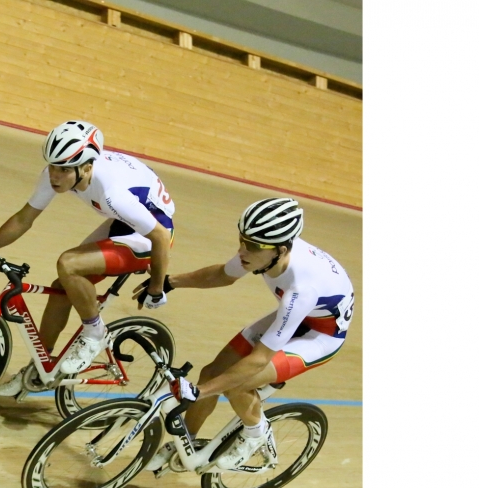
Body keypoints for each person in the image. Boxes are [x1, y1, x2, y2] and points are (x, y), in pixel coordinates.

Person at [0, 120, 176, 396]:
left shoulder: (111, 193)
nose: (54, 176)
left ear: (86, 167)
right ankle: (40, 367)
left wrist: (156, 288)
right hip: (125, 221)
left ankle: (94, 334)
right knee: (63, 287)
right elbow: (24, 219)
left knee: (69, 263)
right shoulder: (60, 173)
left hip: (151, 231)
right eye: (52, 166)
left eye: (63, 169)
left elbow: (161, 237)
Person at [136, 197, 354, 471]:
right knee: (211, 373)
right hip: (301, 315)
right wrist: (170, 282)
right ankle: (185, 443)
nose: (242, 250)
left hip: (320, 337)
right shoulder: (265, 251)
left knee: (236, 383)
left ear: (281, 250)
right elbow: (223, 275)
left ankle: (255, 435)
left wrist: (200, 392)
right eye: (241, 239)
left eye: (251, 246)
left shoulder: (301, 289)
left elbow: (259, 359)